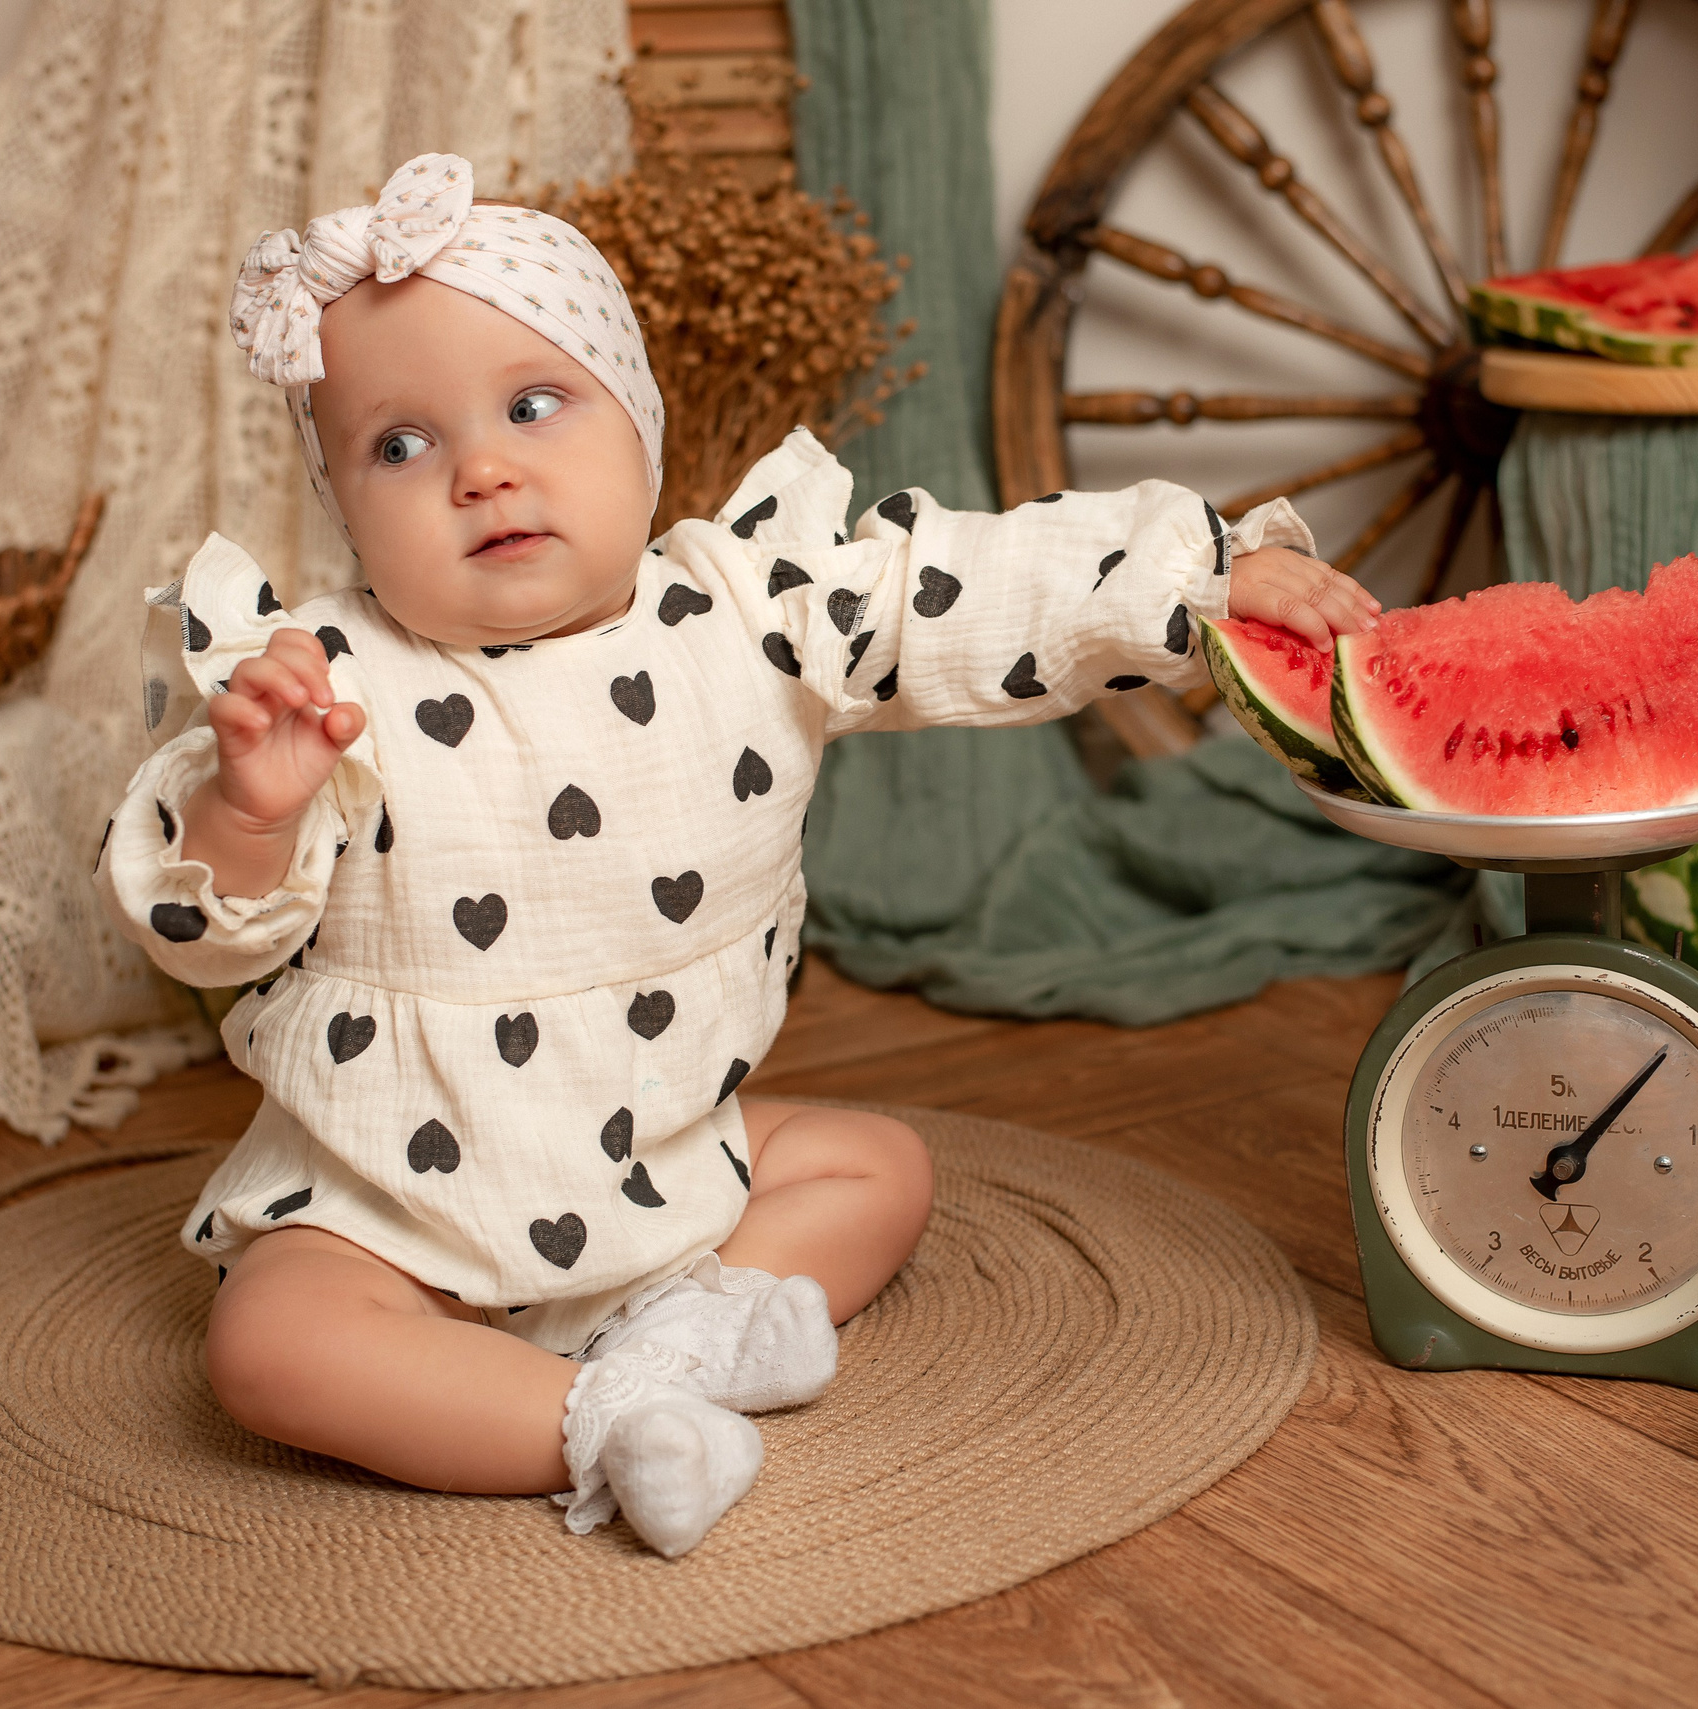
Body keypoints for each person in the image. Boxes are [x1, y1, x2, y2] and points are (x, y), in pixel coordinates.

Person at [98, 153, 1380, 1557]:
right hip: (390, 1207)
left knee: (876, 1168)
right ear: (343, 503)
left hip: (668, 1170)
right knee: (270, 1346)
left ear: (640, 426)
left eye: (536, 403)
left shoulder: (753, 607)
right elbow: (204, 931)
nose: (483, 467)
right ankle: (598, 1420)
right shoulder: (321, 677)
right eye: (399, 444)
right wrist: (252, 806)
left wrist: (1193, 577)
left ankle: (678, 1345)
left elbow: (963, 580)